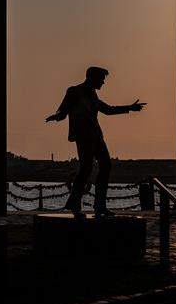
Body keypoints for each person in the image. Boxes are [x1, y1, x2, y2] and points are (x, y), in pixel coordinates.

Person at [46, 66, 146, 219]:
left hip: (97, 137)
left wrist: (130, 108)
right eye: (102, 79)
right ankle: (75, 204)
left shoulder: (94, 96)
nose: (103, 83)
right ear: (92, 78)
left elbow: (108, 109)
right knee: (85, 169)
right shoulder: (74, 91)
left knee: (106, 165)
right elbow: (63, 110)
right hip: (83, 137)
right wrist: (57, 116)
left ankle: (100, 206)